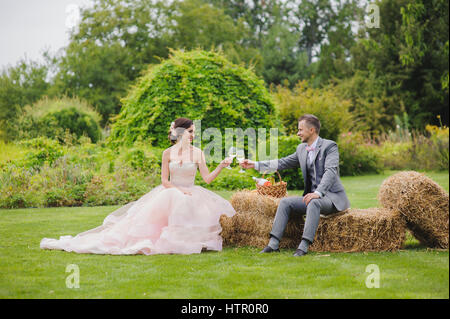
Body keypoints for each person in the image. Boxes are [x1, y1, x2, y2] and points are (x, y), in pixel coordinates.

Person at [40, 117, 236, 255]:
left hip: (192, 193)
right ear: (181, 132)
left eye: (194, 132)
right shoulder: (167, 153)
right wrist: (180, 190)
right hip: (171, 191)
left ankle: (184, 241)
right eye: (191, 131)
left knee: (186, 202)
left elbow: (207, 179)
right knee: (174, 199)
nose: (193, 135)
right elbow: (165, 181)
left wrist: (221, 166)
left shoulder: (198, 153)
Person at [240, 114, 350, 257]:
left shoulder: (330, 146)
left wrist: (318, 193)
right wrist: (254, 164)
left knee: (314, 202)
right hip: (311, 198)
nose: (298, 133)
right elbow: (282, 163)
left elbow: (330, 172)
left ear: (311, 130)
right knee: (286, 202)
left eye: (300, 130)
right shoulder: (301, 149)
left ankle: (303, 246)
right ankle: (273, 244)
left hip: (331, 198)